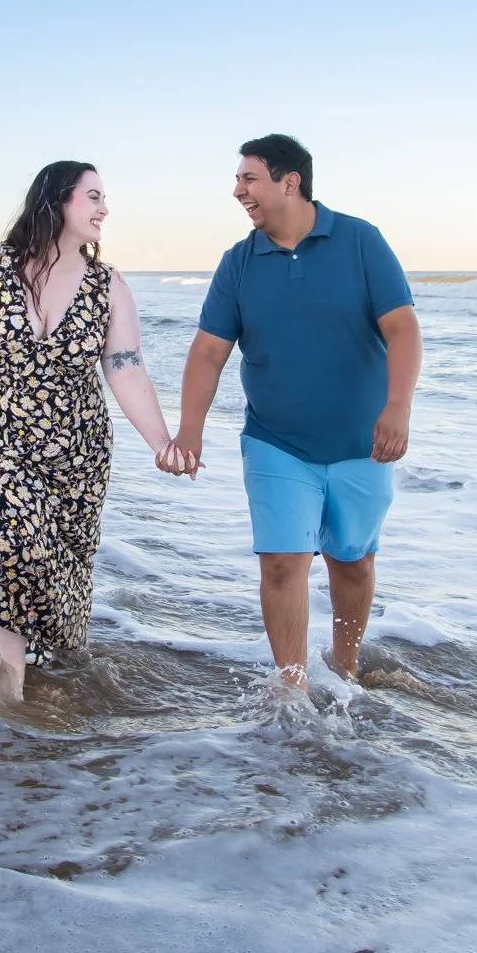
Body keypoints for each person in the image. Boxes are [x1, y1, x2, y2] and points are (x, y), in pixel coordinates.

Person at [0, 161, 189, 700]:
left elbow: (126, 368)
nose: (105, 209)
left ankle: (59, 666)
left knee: (61, 568)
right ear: (58, 200)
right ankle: (11, 670)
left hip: (76, 453)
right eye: (93, 197)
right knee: (12, 541)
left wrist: (161, 442)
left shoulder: (108, 286)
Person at [160, 134, 421, 691]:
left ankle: (345, 667)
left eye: (248, 178)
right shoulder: (238, 262)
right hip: (275, 440)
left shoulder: (360, 241)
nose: (238, 191)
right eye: (238, 180)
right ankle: (292, 690)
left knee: (352, 562)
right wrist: (190, 430)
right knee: (281, 563)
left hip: (363, 441)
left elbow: (402, 328)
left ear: (289, 182)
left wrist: (398, 408)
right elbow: (208, 352)